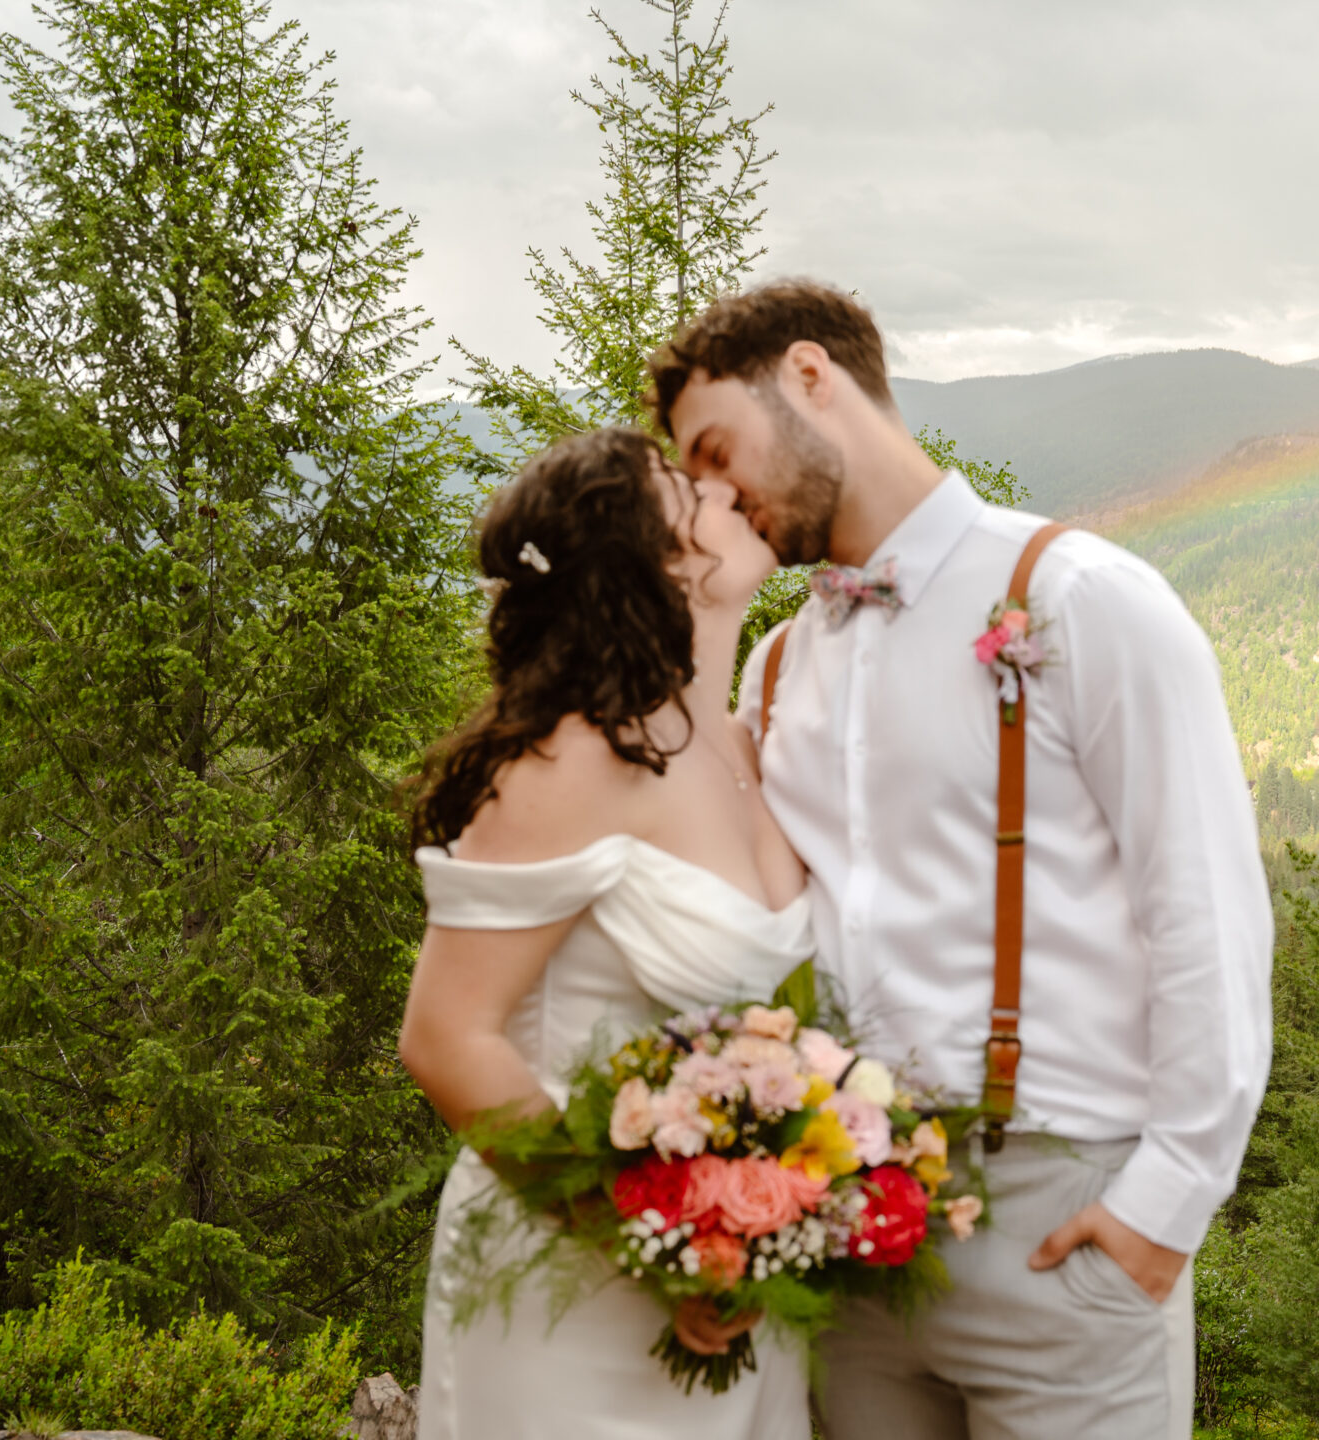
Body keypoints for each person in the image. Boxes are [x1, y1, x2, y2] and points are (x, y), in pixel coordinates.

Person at [652, 280, 1274, 1440]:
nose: (715, 494)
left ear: (808, 376)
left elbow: (1203, 911)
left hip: (1062, 1227)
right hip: (848, 1247)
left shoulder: (1083, 599)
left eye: (717, 449)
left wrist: (1166, 1205)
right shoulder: (779, 664)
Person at [398, 427, 812, 1440]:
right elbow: (446, 1039)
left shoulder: (745, 741)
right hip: (571, 1281)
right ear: (656, 561)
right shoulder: (572, 757)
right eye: (694, 494)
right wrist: (651, 1242)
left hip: (740, 1274)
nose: (731, 495)